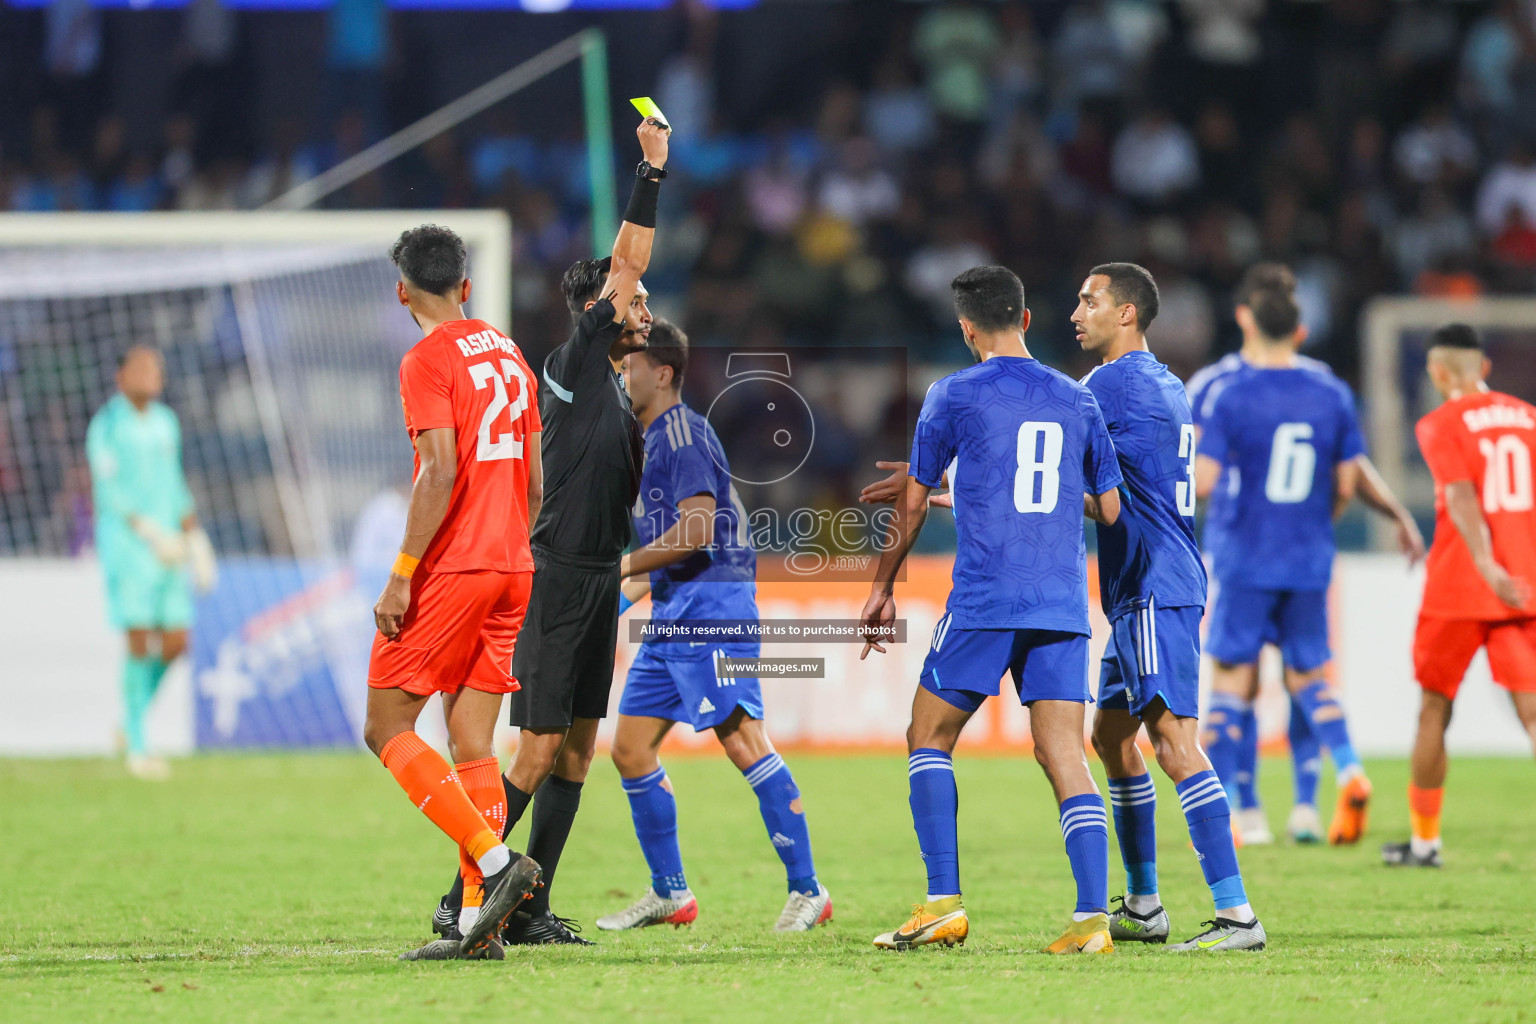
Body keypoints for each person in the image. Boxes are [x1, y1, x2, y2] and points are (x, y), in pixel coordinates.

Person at [434, 114, 670, 946]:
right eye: (630, 301)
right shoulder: (572, 370)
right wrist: (650, 174)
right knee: (531, 753)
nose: (643, 305)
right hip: (556, 576)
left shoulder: (616, 393)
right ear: (595, 310)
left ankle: (530, 906)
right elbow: (630, 262)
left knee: (575, 754)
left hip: (598, 578)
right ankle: (461, 892)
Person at [859, 265, 1124, 955]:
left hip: (986, 596)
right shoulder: (1078, 399)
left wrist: (883, 585)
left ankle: (943, 903)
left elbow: (910, 503)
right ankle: (1093, 919)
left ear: (966, 327)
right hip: (1062, 600)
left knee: (928, 735)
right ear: (1027, 319)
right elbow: (1112, 509)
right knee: (1064, 753)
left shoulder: (952, 393)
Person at [594, 319, 831, 934]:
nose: (623, 374)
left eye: (630, 365)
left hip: (713, 613)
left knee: (742, 739)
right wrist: (618, 596)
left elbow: (697, 532)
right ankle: (670, 893)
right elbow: (675, 549)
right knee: (629, 749)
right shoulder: (651, 441)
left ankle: (809, 890)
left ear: (663, 371)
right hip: (674, 614)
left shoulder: (683, 435)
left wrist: (619, 565)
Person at [1186, 262, 1424, 845]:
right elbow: (1348, 481)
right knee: (1309, 674)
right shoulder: (1329, 388)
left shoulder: (1221, 390)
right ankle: (1330, 783)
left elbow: (1202, 481)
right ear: (1300, 327)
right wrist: (1369, 515)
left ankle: (1243, 814)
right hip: (1309, 555)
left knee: (1233, 682)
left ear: (1244, 317)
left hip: (1242, 552)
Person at [362, 223, 544, 961]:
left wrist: (403, 572)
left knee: (385, 724)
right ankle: (478, 924)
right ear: (465, 287)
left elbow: (437, 469)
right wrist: (510, 551)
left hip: (456, 567)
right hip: (512, 562)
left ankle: (497, 862)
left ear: (402, 290)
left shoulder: (426, 358)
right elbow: (534, 479)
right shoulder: (508, 351)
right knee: (473, 741)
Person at [1074, 263, 1264, 952]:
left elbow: (1104, 503)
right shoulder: (1165, 383)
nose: (1077, 312)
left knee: (1175, 744)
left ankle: (1237, 914)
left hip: (1153, 584)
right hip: (1145, 586)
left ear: (1126, 313)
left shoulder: (1107, 386)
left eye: (1090, 301)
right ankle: (1146, 904)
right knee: (1111, 736)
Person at [1383, 324, 1536, 868]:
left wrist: (1486, 563)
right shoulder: (1528, 418)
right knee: (1531, 710)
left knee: (1433, 708)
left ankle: (1424, 843)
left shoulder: (1440, 422)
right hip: (1522, 581)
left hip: (1461, 582)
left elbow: (1463, 496)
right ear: (1485, 368)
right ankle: (1422, 843)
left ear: (1438, 373)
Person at [86, 346, 215, 781]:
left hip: (170, 546)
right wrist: (147, 531)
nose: (151, 375)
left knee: (177, 642)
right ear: (120, 375)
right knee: (140, 639)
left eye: (156, 368)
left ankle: (131, 720)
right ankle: (139, 746)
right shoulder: (106, 426)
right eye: (141, 368)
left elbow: (174, 481)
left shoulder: (166, 422)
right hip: (129, 545)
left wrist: (193, 532)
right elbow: (107, 490)